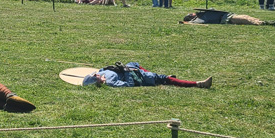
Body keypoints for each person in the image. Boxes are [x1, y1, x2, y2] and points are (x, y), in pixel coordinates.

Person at [82, 63, 212, 88]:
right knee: (165, 79)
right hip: (138, 77)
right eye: (95, 76)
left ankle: (159, 77)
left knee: (134, 62)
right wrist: (127, 71)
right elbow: (129, 84)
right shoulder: (111, 83)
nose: (97, 74)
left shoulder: (101, 72)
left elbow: (103, 68)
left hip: (132, 69)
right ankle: (198, 84)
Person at [181, 9, 275, 27]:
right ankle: (266, 23)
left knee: (246, 16)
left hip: (229, 15)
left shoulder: (202, 14)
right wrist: (187, 22)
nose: (192, 13)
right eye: (190, 14)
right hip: (227, 19)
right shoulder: (200, 19)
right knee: (246, 20)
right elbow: (197, 23)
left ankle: (262, 21)